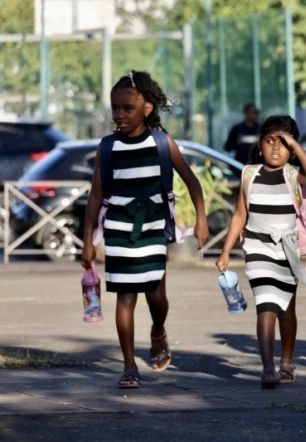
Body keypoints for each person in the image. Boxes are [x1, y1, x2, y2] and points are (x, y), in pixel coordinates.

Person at [81, 70, 209, 389]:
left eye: (128, 108)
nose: (120, 115)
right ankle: (128, 366)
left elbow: (191, 181)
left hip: (153, 227)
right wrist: (87, 242)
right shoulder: (107, 146)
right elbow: (96, 194)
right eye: (115, 108)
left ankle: (157, 332)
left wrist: (202, 220)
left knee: (156, 297)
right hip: (119, 229)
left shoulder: (162, 143)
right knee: (125, 297)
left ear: (147, 108)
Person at [216, 115, 306, 388]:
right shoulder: (249, 174)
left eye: (283, 143)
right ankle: (268, 368)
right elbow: (240, 214)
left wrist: (295, 145)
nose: (276, 148)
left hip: (288, 250)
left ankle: (287, 359)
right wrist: (225, 251)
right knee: (265, 306)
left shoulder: (293, 175)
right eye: (270, 141)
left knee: (286, 310)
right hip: (257, 247)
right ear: (260, 145)